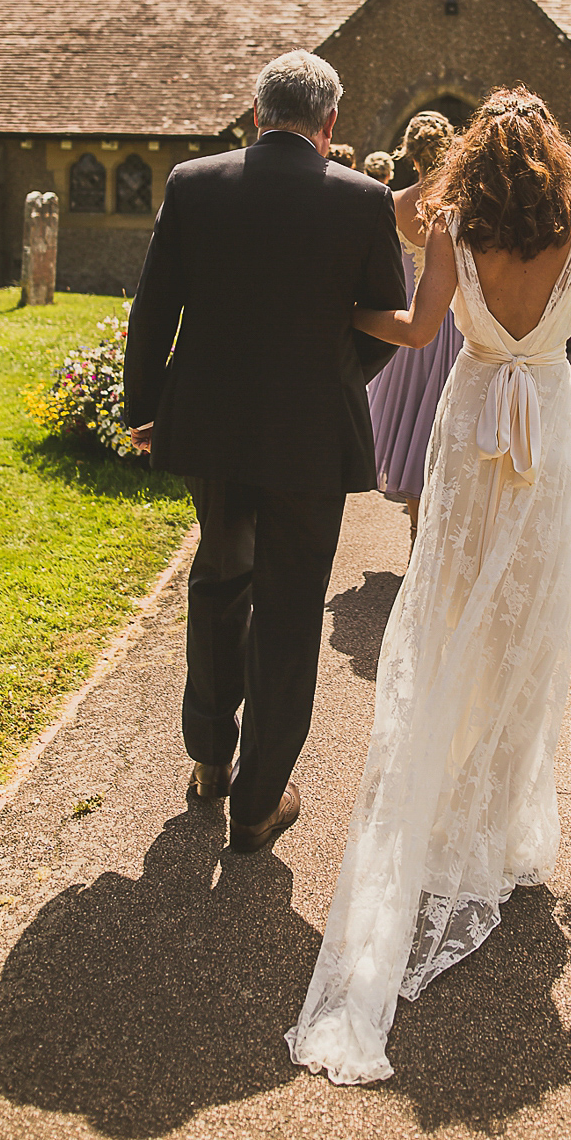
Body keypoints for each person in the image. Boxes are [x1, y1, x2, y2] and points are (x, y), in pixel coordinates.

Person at [287, 87, 571, 1085]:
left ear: (472, 166)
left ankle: (450, 807)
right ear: (553, 160)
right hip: (545, 424)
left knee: (453, 619)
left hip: (471, 429)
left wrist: (342, 307)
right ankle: (495, 825)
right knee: (528, 630)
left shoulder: (451, 227)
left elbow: (416, 332)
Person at [123, 52, 405, 854]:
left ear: (255, 115)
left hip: (210, 423)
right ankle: (259, 798)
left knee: (219, 576)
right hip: (312, 433)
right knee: (289, 606)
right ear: (331, 124)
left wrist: (148, 408)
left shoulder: (193, 184)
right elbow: (384, 314)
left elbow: (155, 308)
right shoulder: (364, 200)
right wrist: (339, 375)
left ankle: (211, 758)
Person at [367, 111, 463, 546]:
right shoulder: (464, 206)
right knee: (447, 432)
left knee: (413, 430)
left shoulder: (391, 202)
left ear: (408, 153)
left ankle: (415, 530)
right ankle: (443, 540)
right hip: (456, 330)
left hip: (407, 335)